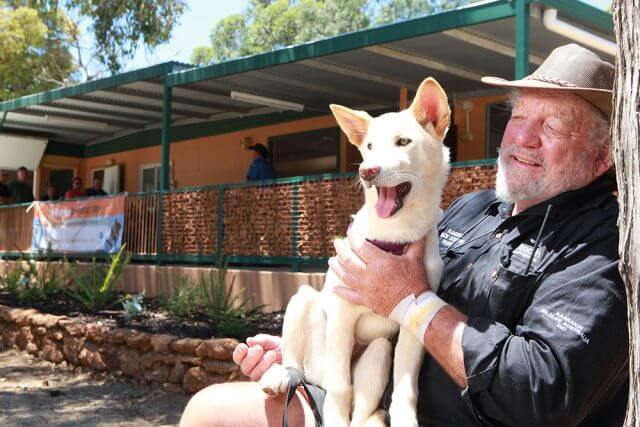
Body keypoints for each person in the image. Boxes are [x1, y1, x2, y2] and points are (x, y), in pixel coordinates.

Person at [180, 44, 627, 427]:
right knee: (208, 411)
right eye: (520, 116)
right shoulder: (474, 209)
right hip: (367, 392)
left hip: (435, 416)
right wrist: (311, 345)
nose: (523, 138)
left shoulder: (604, 245)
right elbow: (381, 314)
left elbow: (541, 390)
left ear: (603, 156)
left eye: (551, 127)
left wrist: (411, 300)